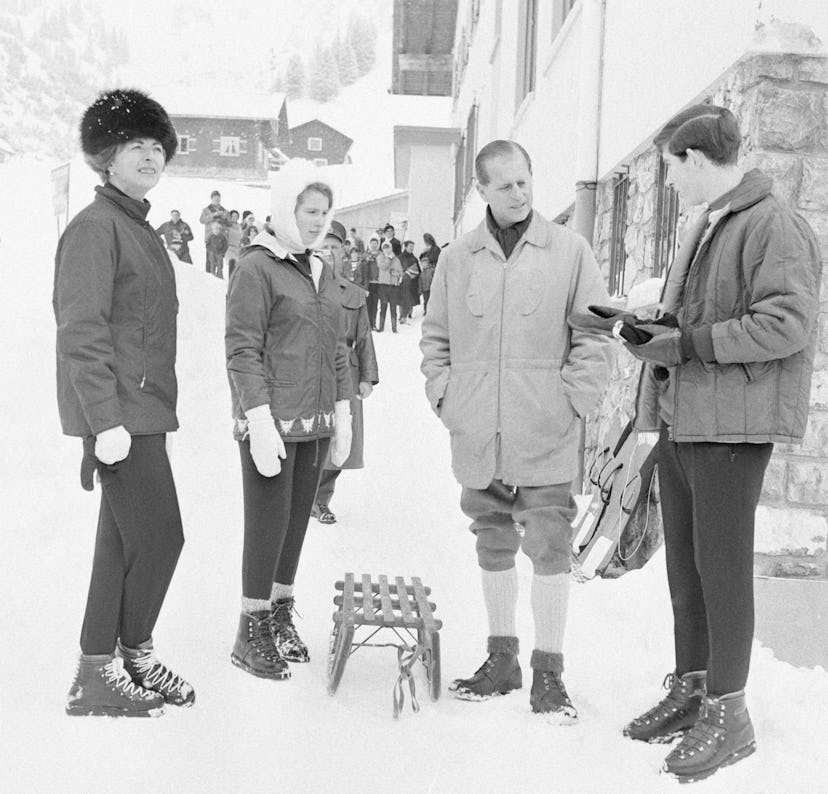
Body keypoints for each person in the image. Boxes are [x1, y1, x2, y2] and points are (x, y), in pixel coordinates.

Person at [620, 105, 821, 783]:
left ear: (698, 160)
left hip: (732, 431)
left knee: (723, 572)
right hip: (688, 419)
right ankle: (693, 687)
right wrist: (651, 327)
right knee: (688, 570)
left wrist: (687, 343)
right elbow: (705, 316)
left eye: (673, 168)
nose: (671, 182)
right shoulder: (708, 223)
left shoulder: (773, 224)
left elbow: (786, 323)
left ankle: (729, 715)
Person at [420, 139, 612, 722]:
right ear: (481, 190)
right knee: (491, 536)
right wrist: (446, 396)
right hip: (478, 428)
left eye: (524, 180)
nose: (518, 192)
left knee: (550, 544)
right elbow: (436, 340)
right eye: (504, 185)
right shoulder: (457, 259)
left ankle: (548, 672)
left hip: (544, 428)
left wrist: (571, 401)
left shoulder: (570, 251)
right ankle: (501, 659)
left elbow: (595, 336)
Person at [54, 88, 194, 717]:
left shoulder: (139, 229)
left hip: (145, 413)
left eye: (156, 145)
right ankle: (123, 654)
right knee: (163, 538)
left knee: (121, 543)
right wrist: (103, 421)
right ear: (106, 158)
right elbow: (81, 331)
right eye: (135, 144)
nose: (150, 154)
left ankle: (103, 668)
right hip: (121, 418)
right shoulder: (94, 228)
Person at [225, 160, 354, 680]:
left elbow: (336, 348)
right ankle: (249, 626)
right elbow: (241, 348)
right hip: (273, 423)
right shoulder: (257, 267)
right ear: (285, 209)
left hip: (315, 421)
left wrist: (342, 412)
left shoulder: (319, 268)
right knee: (268, 523)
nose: (318, 220)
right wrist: (256, 418)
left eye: (324, 212)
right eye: (309, 211)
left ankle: (278, 612)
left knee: (296, 521)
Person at [310, 220, 379, 524]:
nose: (328, 253)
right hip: (308, 370)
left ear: (343, 253)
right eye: (322, 247)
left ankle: (321, 499)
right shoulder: (300, 287)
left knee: (342, 437)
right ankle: (304, 498)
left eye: (334, 248)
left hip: (345, 374)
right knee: (307, 435)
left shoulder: (353, 295)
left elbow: (364, 337)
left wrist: (366, 377)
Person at [376, 240, 403, 333]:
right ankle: (381, 326)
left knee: (393, 306)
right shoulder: (380, 257)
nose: (387, 250)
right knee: (383, 305)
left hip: (393, 285)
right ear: (382, 249)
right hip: (383, 284)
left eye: (388, 247)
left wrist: (397, 274)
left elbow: (401, 272)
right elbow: (383, 267)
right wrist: (389, 258)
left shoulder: (396, 259)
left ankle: (394, 327)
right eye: (385, 248)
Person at [199, 190, 229, 273]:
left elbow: (227, 223)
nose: (217, 200)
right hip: (210, 237)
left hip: (220, 238)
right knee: (210, 259)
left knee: (219, 260)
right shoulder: (206, 210)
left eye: (218, 199)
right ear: (211, 199)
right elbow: (202, 220)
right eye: (215, 199)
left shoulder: (225, 210)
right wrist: (213, 215)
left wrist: (223, 218)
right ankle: (209, 275)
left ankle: (219, 275)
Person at [400, 239, 420, 321]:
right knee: (402, 298)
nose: (412, 248)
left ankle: (409, 314)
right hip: (403, 281)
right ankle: (402, 315)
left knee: (411, 298)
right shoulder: (400, 257)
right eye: (410, 246)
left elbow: (418, 270)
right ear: (405, 247)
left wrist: (415, 275)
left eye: (413, 247)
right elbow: (397, 268)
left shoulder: (414, 258)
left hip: (413, 282)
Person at [364, 234, 381, 329]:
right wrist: (367, 260)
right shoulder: (366, 254)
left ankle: (373, 323)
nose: (374, 245)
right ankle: (367, 324)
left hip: (377, 282)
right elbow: (362, 265)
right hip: (368, 282)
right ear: (369, 243)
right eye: (372, 243)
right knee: (367, 303)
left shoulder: (380, 254)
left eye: (376, 243)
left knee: (375, 303)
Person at [225, 209, 242, 280]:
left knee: (238, 265)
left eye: (236, 216)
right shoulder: (227, 226)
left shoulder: (239, 227)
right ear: (230, 217)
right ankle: (230, 280)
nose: (235, 218)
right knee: (231, 262)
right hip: (229, 247)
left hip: (237, 248)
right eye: (233, 216)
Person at [418, 250, 435, 315]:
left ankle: (432, 311)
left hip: (431, 289)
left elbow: (434, 279)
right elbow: (420, 282)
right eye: (422, 264)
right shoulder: (422, 273)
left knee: (432, 300)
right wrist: (420, 290)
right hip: (425, 290)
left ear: (428, 263)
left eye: (425, 263)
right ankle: (426, 311)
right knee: (426, 301)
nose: (424, 265)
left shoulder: (432, 270)